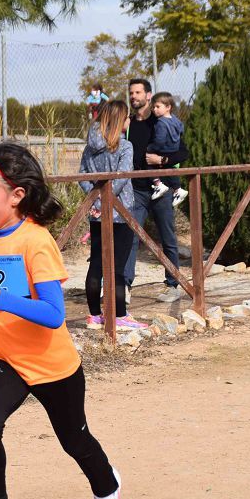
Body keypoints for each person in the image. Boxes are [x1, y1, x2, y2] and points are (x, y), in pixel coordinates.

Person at [0, 142, 123, 499]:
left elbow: (52, 314)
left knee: (74, 440)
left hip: (52, 364)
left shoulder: (37, 242)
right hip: (3, 355)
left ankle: (107, 489)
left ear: (16, 196)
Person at [78, 100, 146, 331]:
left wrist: (95, 200)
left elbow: (82, 175)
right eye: (127, 117)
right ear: (120, 120)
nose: (129, 120)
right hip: (120, 213)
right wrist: (107, 200)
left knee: (96, 263)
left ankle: (94, 315)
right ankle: (119, 315)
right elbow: (123, 176)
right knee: (118, 266)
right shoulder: (125, 146)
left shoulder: (90, 147)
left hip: (97, 214)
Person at [122, 78, 190, 303]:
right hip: (136, 191)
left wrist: (162, 159)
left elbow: (183, 152)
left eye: (138, 92)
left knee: (167, 237)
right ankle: (124, 286)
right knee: (130, 236)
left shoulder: (160, 121)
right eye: (131, 93)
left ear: (148, 96)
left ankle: (173, 285)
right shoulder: (129, 123)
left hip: (161, 189)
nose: (134, 97)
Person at [146, 92, 189, 206]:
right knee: (170, 169)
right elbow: (181, 130)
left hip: (164, 149)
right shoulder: (175, 120)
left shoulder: (160, 123)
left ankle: (158, 184)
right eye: (153, 107)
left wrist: (151, 148)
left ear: (168, 107)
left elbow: (159, 140)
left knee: (148, 162)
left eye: (158, 107)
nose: (155, 109)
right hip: (174, 149)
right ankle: (178, 189)